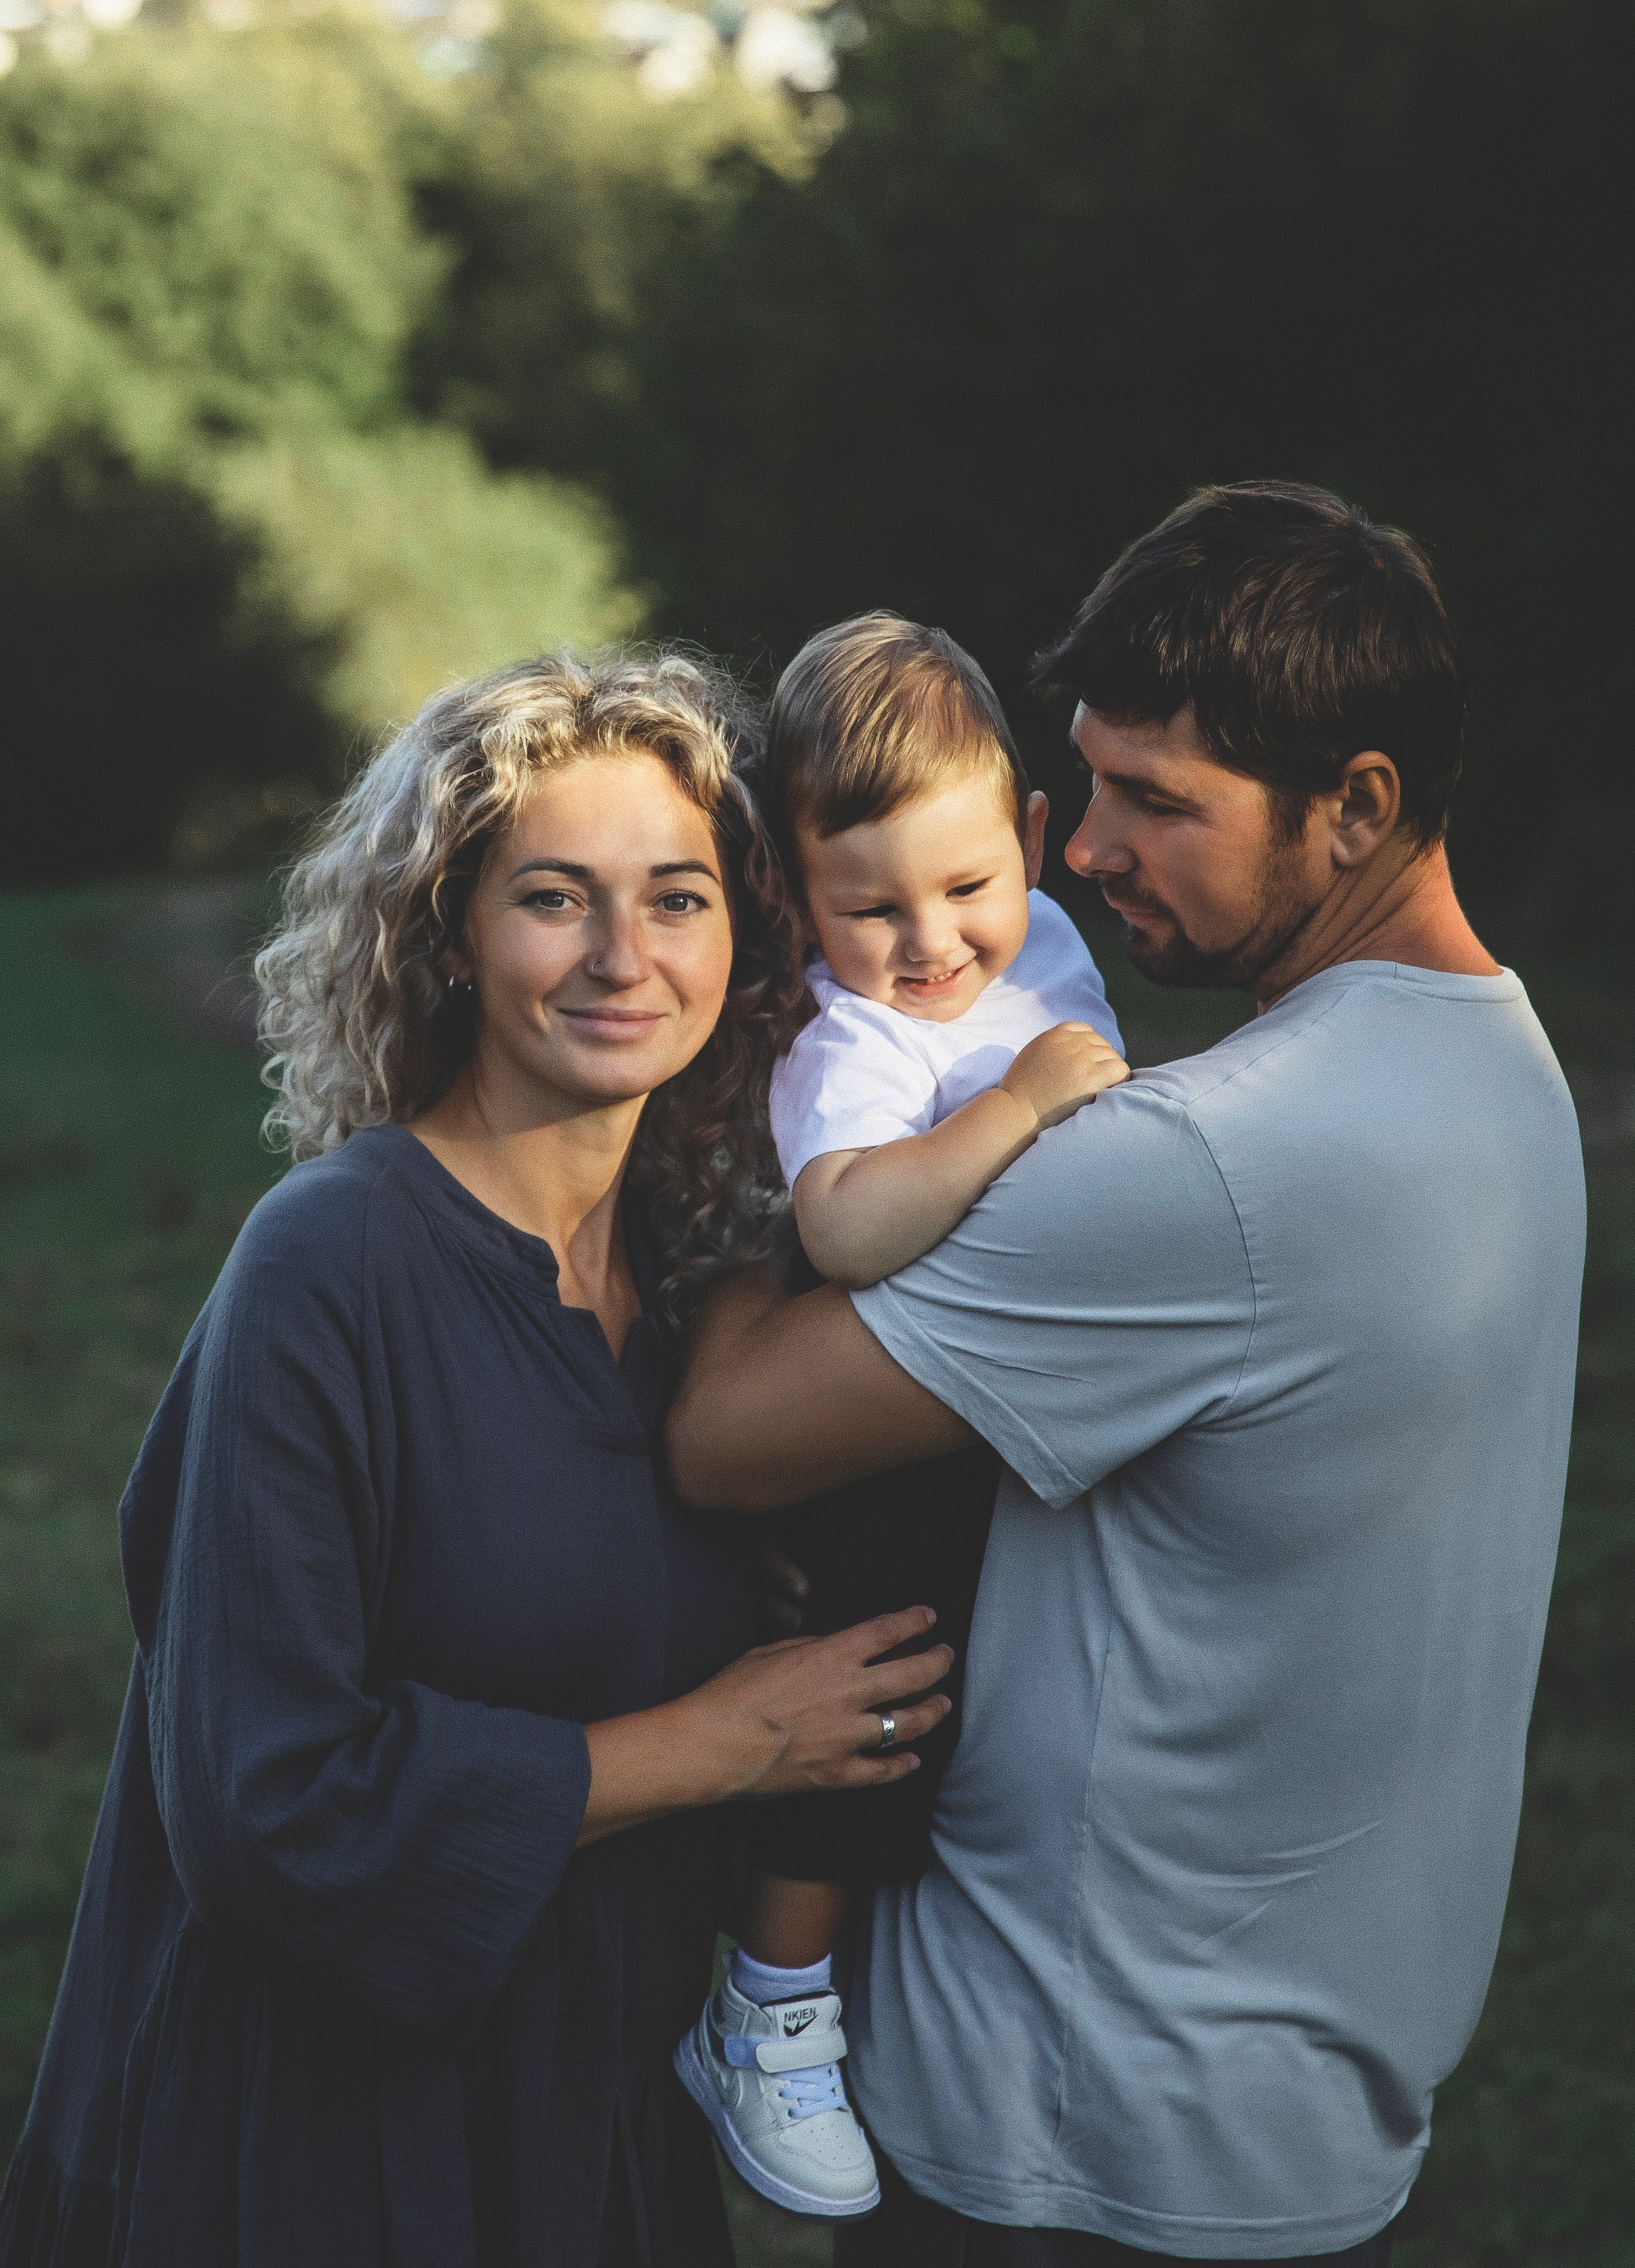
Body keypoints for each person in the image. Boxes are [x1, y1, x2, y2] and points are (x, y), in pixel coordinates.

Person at [667, 484, 1587, 2266]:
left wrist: (724, 1135)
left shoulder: (1213, 1162)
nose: (1085, 849)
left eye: (1158, 801)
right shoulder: (1507, 1074)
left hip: (1065, 2117)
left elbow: (722, 1438)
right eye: (1088, 784)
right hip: (1300, 2106)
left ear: (1357, 806)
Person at [0, 650, 955, 2268]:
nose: (623, 957)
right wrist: (722, 1741)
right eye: (554, 899)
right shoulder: (331, 1264)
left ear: (742, 935)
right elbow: (262, 1800)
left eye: (676, 899)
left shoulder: (700, 1302)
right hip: (318, 2147)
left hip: (588, 2128)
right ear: (447, 932)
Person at [675, 614, 1126, 2221]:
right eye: (869, 908)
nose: (931, 942)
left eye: (965, 888)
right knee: (876, 1701)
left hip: (995, 1409)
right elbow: (851, 1223)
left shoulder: (1040, 944)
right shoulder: (848, 1035)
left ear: (1029, 841)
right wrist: (1012, 1108)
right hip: (871, 1435)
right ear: (795, 901)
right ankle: (768, 2007)